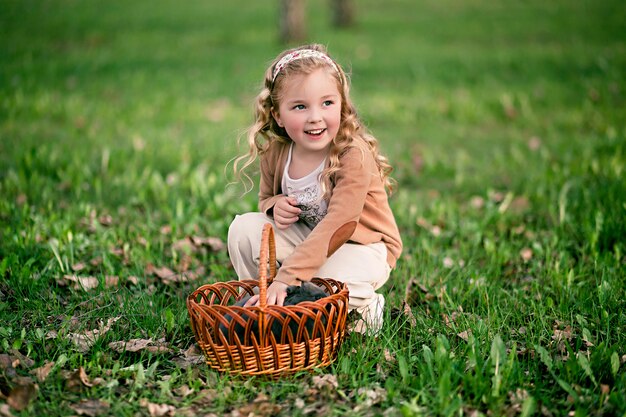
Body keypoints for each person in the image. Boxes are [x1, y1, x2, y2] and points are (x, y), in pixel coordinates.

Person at [227, 44, 402, 334]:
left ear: (342, 105)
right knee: (244, 231)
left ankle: (366, 310)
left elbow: (340, 223)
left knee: (320, 276)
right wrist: (274, 204)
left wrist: (288, 276)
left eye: (327, 103)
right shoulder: (277, 152)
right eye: (300, 106)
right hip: (310, 241)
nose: (315, 117)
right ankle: (265, 304)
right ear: (278, 115)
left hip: (364, 248)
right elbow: (265, 200)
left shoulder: (351, 154)